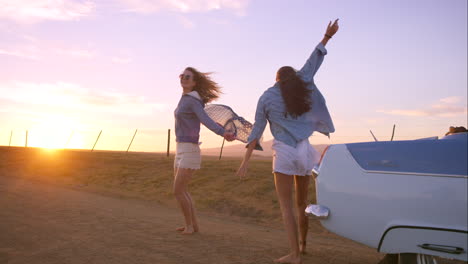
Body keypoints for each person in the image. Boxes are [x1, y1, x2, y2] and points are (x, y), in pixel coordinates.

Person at [236, 20, 339, 264]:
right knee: (302, 202)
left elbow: (257, 131)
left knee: (286, 206)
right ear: (292, 78)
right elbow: (313, 60)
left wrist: (245, 161)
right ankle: (302, 246)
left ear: (276, 79)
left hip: (284, 151)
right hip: (305, 151)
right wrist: (327, 36)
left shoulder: (266, 96)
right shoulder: (302, 83)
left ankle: (294, 255)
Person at [174, 67, 234, 234]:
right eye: (182, 75)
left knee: (177, 190)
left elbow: (205, 120)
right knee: (183, 190)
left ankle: (189, 226)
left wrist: (223, 133)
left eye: (188, 77)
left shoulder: (193, 101)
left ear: (194, 82)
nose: (184, 78)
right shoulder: (185, 98)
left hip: (190, 150)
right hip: (180, 148)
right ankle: (193, 226)